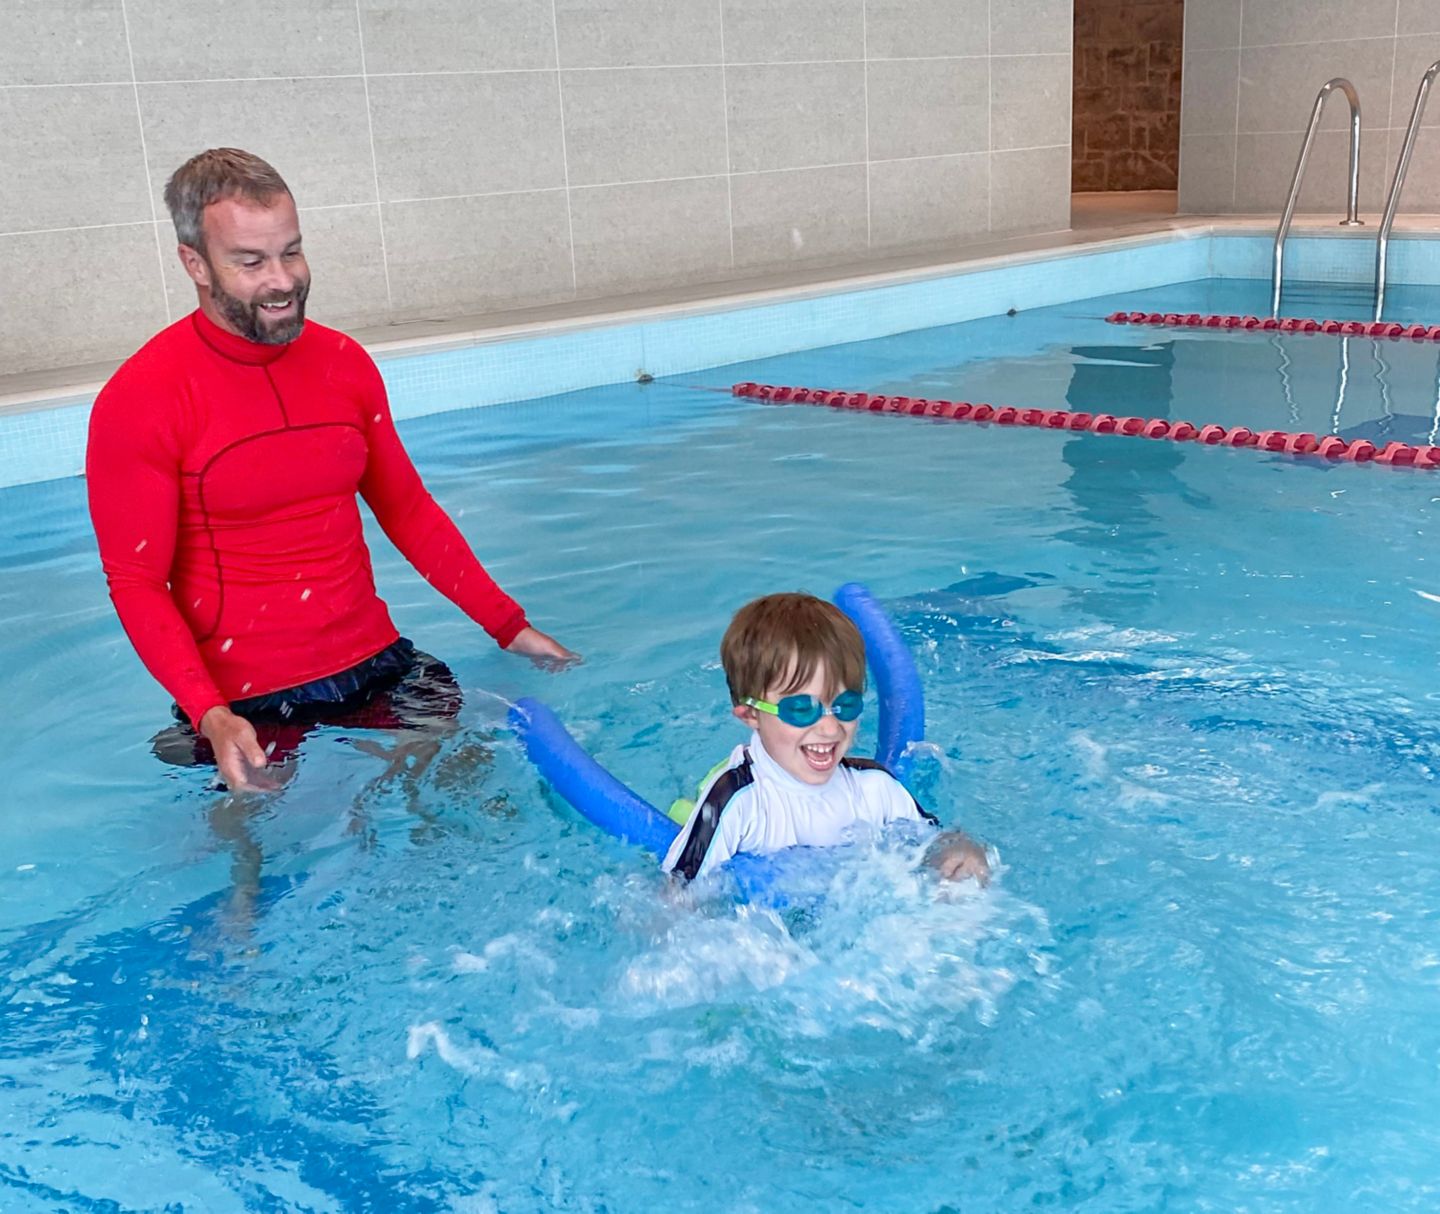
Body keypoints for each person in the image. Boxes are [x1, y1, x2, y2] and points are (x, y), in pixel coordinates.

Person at [86, 148, 576, 793]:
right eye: (251, 261)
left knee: (476, 791)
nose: (282, 279)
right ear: (194, 263)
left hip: (376, 662)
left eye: (291, 251)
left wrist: (508, 625)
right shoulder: (142, 399)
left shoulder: (344, 364)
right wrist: (209, 712)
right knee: (258, 858)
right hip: (245, 700)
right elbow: (137, 581)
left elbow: (407, 509)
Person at [662, 593, 991, 884]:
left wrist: (962, 852)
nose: (830, 729)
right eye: (801, 709)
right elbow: (676, 895)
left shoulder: (875, 786)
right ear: (751, 715)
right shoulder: (732, 802)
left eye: (845, 706)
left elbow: (938, 841)